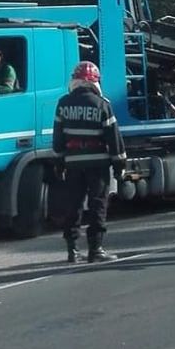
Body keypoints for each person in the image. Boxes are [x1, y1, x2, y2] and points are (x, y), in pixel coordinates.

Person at [51, 61, 126, 263]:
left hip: (73, 163)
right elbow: (114, 139)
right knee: (97, 205)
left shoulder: (63, 103)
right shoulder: (102, 104)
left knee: (73, 205)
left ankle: (72, 251)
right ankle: (96, 250)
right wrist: (120, 167)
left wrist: (59, 163)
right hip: (98, 164)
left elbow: (58, 138)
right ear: (95, 82)